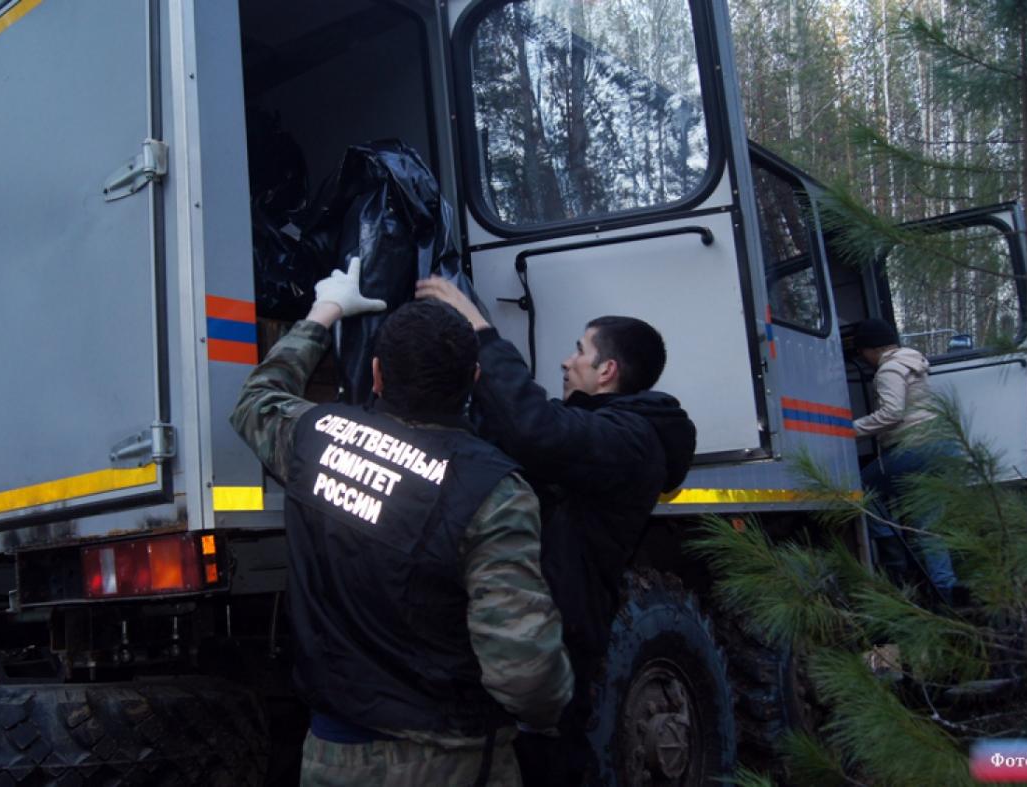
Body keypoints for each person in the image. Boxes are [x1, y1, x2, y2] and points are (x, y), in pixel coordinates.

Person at [230, 258, 574, 786]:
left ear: (376, 374)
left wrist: (325, 310)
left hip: (331, 759)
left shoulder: (314, 438)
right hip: (453, 762)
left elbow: (257, 400)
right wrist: (545, 719)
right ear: (474, 379)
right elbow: (525, 674)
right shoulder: (494, 492)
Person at [415, 276, 697, 786]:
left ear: (607, 370)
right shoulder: (609, 428)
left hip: (559, 634)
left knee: (548, 765)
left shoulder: (630, 439)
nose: (568, 362)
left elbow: (535, 430)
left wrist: (479, 328)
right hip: (548, 621)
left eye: (579, 351)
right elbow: (521, 436)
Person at [850, 317, 958, 601]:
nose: (864, 358)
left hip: (916, 447)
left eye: (862, 352)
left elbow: (892, 413)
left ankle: (896, 567)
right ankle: (945, 591)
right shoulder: (914, 363)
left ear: (872, 350)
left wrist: (850, 430)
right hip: (942, 446)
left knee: (863, 488)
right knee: (928, 523)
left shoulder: (888, 369)